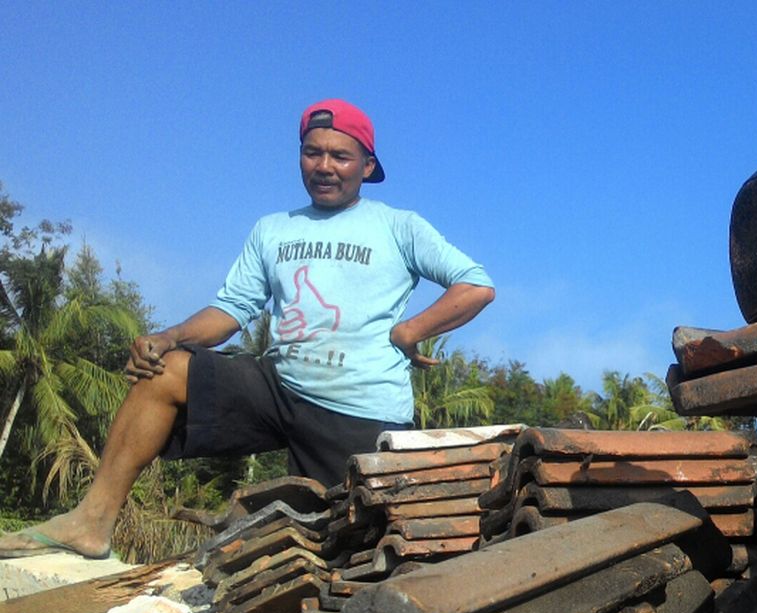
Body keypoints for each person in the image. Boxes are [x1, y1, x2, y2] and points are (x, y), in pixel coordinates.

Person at [0, 98, 495, 559]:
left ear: (367, 166)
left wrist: (410, 331)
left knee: (346, 553)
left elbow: (475, 285)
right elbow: (232, 309)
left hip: (360, 409)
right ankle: (91, 522)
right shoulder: (273, 230)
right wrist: (169, 337)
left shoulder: (398, 226)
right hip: (279, 389)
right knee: (165, 371)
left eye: (341, 157)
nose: (324, 166)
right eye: (312, 153)